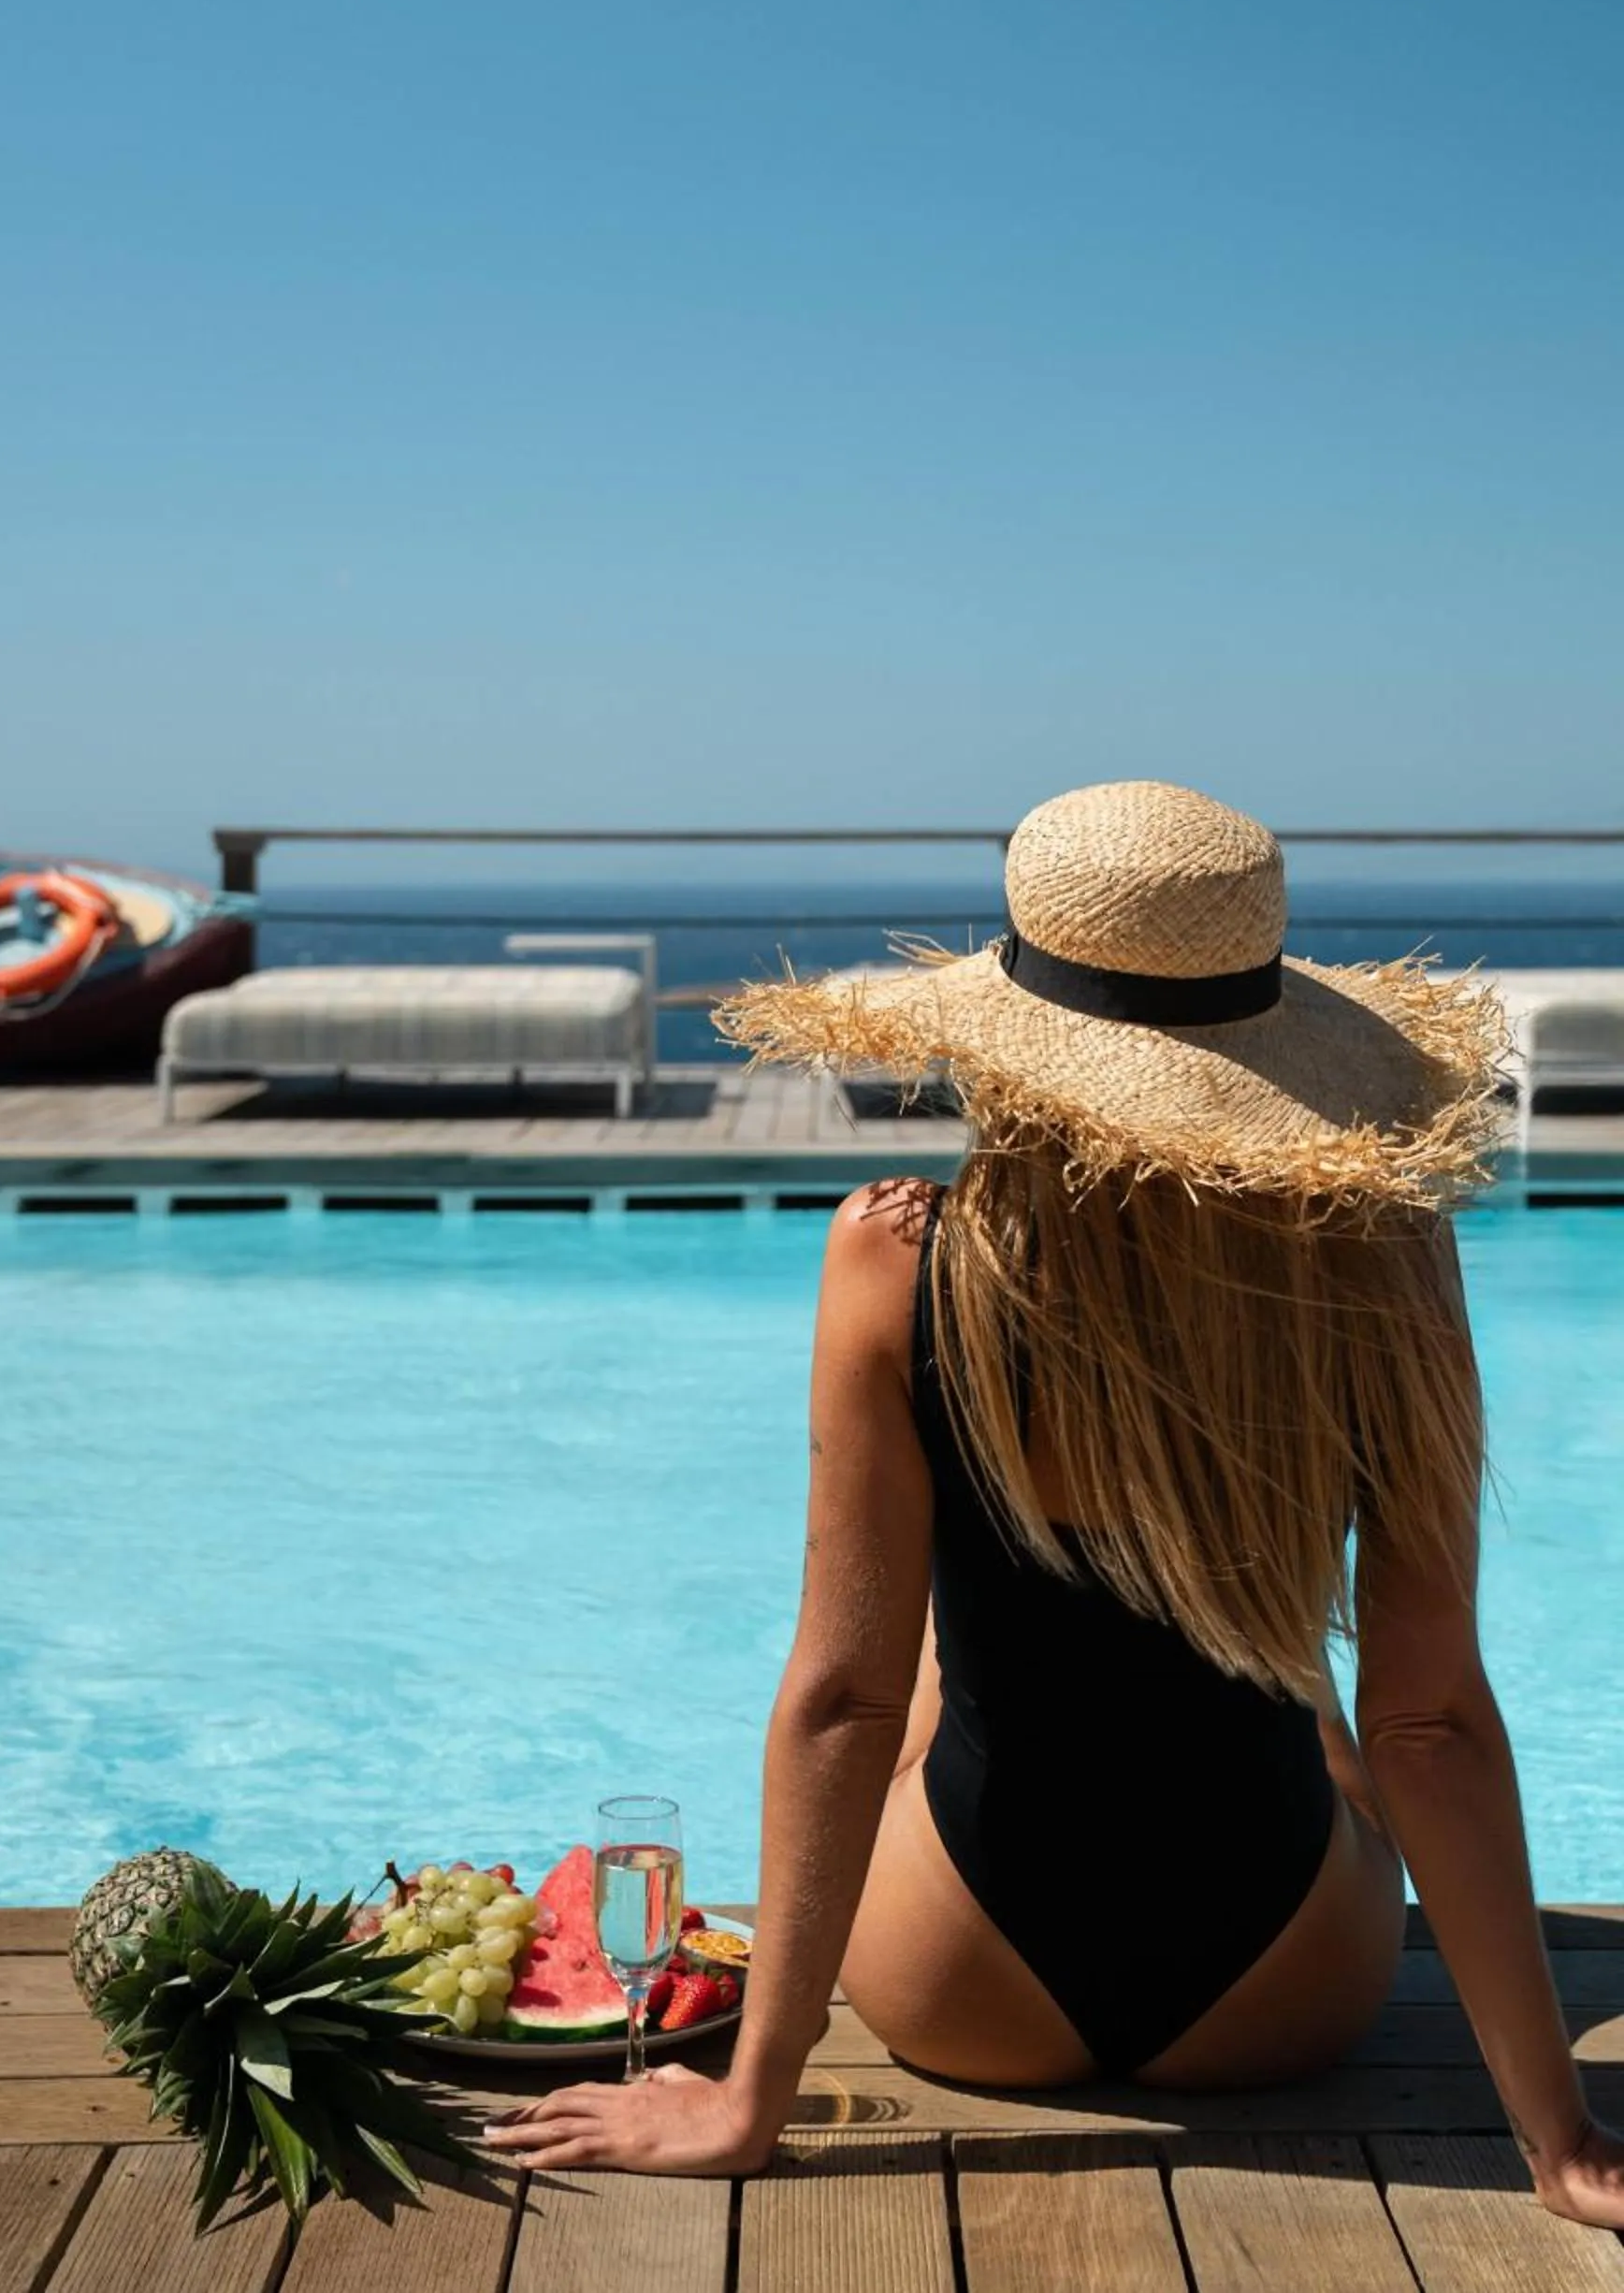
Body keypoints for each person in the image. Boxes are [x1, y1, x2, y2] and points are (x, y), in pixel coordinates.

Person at [486, 781, 1624, 2228]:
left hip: (965, 1982)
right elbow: (1433, 1723)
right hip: (1283, 1995)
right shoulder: (1381, 1256)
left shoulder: (901, 1258)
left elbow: (837, 1697)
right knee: (1326, 1701)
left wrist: (745, 2099)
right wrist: (1562, 2138)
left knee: (921, 1686)